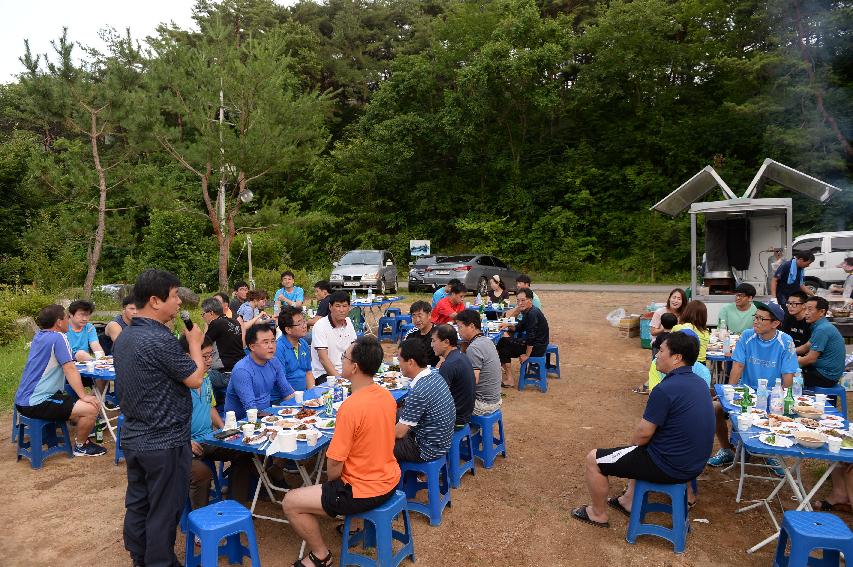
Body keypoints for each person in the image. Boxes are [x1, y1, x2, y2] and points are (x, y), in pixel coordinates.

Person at [571, 332, 714, 527]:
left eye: (661, 351)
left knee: (594, 459)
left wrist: (633, 450)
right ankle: (627, 501)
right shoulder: (699, 383)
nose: (656, 355)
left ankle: (597, 514)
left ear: (677, 358)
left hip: (670, 466)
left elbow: (642, 435)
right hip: (694, 464)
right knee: (639, 452)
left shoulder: (665, 389)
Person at [113, 268, 206, 567]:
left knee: (139, 502)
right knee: (164, 509)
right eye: (175, 296)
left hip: (135, 437)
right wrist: (194, 343)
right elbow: (194, 379)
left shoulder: (126, 336)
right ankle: (160, 563)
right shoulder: (158, 338)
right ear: (155, 300)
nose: (179, 303)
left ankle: (139, 557)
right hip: (164, 441)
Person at [282, 337, 399, 567]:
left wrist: (331, 490)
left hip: (364, 489)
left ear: (354, 366)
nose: (341, 360)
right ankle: (353, 522)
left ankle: (321, 555)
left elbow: (334, 465)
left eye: (345, 356)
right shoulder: (386, 396)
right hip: (390, 478)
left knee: (290, 501)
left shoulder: (351, 407)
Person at [707, 301, 797, 467]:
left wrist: (784, 399)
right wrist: (728, 393)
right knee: (716, 408)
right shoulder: (747, 336)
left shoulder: (786, 341)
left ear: (775, 323)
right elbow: (737, 367)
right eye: (755, 317)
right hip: (746, 392)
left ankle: (771, 452)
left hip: (772, 393)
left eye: (762, 319)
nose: (756, 321)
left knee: (775, 415)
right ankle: (727, 449)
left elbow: (788, 375)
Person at [14, 304, 106, 457]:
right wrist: (84, 395)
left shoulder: (39, 336)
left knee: (73, 402)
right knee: (91, 408)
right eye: (66, 318)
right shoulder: (59, 337)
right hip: (36, 401)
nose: (68, 321)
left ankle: (56, 433)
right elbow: (69, 369)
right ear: (59, 322)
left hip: (23, 399)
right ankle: (81, 446)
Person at [179, 335, 253, 510]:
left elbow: (210, 406)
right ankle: (200, 523)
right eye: (204, 356)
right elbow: (164, 423)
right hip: (184, 445)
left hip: (208, 439)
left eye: (210, 355)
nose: (209, 360)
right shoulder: (176, 384)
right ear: (187, 357)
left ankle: (236, 506)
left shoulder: (205, 378)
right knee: (201, 474)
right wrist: (185, 441)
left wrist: (224, 428)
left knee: (244, 452)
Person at [394, 338, 456, 463]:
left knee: (376, 443)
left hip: (427, 449)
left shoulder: (419, 390)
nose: (399, 364)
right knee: (397, 414)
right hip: (443, 440)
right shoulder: (435, 374)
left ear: (410, 362)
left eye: (399, 360)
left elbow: (399, 433)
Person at [224, 323, 296, 420]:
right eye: (266, 342)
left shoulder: (274, 361)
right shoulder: (242, 370)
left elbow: (287, 392)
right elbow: (251, 408)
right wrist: (274, 419)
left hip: (265, 415)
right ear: (252, 347)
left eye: (273, 341)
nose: (271, 346)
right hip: (242, 423)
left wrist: (300, 408)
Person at [497, 288, 549, 388]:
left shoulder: (532, 314)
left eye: (523, 300)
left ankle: (510, 379)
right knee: (503, 343)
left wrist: (526, 355)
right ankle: (509, 377)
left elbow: (531, 337)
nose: (520, 303)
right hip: (537, 344)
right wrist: (507, 325)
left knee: (502, 344)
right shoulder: (529, 311)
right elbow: (520, 327)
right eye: (518, 300)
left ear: (530, 300)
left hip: (537, 348)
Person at [456, 309, 503, 415]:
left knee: (442, 403)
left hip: (483, 404)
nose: (458, 331)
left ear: (472, 326)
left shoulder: (474, 348)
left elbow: (472, 382)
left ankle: (464, 429)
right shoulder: (487, 340)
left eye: (460, 327)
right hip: (495, 399)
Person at [431, 324, 475, 426]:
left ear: (446, 342)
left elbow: (436, 398)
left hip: (455, 419)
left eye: (434, 341)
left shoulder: (449, 365)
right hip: (465, 413)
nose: (431, 345)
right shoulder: (460, 356)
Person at [201, 297, 245, 399]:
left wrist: (206, 327)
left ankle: (211, 407)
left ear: (211, 313)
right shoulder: (235, 322)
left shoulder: (216, 323)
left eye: (203, 314)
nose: (203, 317)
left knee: (200, 377)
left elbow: (203, 346)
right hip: (240, 369)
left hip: (226, 375)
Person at [798, 296, 846, 389]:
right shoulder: (821, 326)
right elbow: (806, 346)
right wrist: (787, 351)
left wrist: (788, 360)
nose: (806, 313)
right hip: (826, 372)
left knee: (787, 375)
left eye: (810, 309)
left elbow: (810, 359)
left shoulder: (822, 329)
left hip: (826, 376)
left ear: (822, 312)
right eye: (805, 309)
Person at [311, 291, 358, 383]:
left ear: (349, 307)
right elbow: (323, 359)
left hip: (346, 371)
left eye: (344, 306)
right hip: (325, 374)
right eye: (337, 306)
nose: (341, 310)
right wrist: (340, 380)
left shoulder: (348, 322)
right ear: (330, 307)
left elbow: (354, 350)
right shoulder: (320, 326)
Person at [276, 306, 314, 391]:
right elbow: (281, 382)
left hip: (303, 396)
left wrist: (312, 393)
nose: (304, 326)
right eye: (300, 323)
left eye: (304, 322)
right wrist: (298, 399)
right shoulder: (279, 348)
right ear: (288, 329)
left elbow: (308, 372)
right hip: (284, 400)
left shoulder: (303, 343)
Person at [402, 300, 439, 367]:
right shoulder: (411, 334)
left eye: (420, 316)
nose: (417, 320)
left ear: (429, 315)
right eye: (414, 316)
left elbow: (444, 358)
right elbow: (404, 355)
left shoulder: (438, 333)